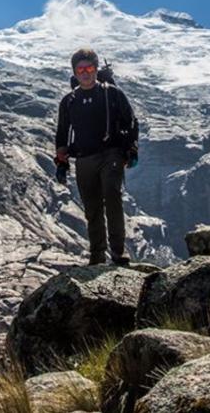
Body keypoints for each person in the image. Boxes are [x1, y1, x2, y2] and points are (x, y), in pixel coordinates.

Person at [54, 48, 139, 266]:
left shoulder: (112, 93)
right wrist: (61, 163)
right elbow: (62, 133)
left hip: (111, 154)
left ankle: (119, 253)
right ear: (74, 72)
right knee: (92, 209)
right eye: (80, 69)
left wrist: (132, 150)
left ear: (96, 68)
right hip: (84, 159)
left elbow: (130, 122)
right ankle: (97, 256)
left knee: (112, 197)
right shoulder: (69, 101)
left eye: (89, 68)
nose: (85, 72)